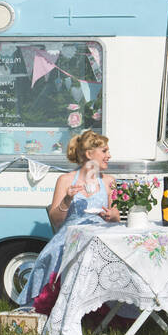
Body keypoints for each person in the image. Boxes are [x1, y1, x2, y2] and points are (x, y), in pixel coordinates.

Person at [15, 130, 121, 307]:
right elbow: (56, 220)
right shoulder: (65, 180)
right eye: (104, 151)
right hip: (70, 235)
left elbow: (116, 214)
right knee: (60, 252)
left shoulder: (109, 181)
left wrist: (112, 215)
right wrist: (67, 199)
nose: (109, 156)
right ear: (89, 154)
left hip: (100, 235)